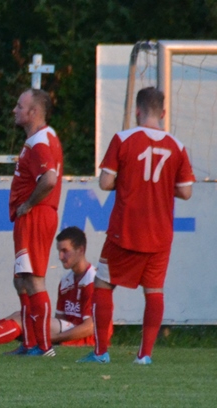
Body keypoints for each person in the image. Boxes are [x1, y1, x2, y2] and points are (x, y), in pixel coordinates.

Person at [79, 87, 195, 365]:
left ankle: (101, 352)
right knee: (154, 291)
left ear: (137, 110)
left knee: (103, 284)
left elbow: (105, 182)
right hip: (160, 233)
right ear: (163, 113)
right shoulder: (177, 146)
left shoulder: (123, 139)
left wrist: (130, 180)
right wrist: (160, 186)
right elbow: (186, 191)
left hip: (125, 229)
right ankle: (144, 356)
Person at [0, 227, 104, 347]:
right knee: (21, 316)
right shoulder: (66, 281)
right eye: (59, 251)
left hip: (86, 339)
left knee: (23, 318)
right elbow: (60, 319)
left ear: (80, 250)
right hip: (66, 333)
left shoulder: (92, 280)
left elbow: (91, 327)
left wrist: (52, 339)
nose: (60, 256)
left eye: (65, 251)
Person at [6, 88, 64, 357]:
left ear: (34, 112)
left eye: (20, 106)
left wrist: (29, 203)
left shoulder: (40, 141)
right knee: (21, 280)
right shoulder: (41, 138)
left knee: (34, 280)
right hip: (32, 216)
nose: (15, 110)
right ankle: (30, 343)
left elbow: (49, 179)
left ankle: (44, 346)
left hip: (36, 215)